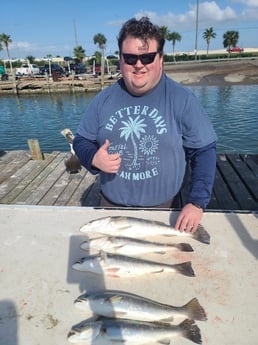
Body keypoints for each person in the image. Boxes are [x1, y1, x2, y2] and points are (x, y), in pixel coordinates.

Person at [73, 17, 217, 234]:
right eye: (130, 58)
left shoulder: (183, 99)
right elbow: (81, 140)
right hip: (111, 210)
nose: (138, 65)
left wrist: (196, 203)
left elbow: (204, 151)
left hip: (165, 212)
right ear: (120, 60)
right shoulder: (103, 100)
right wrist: (93, 158)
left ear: (160, 59)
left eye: (147, 57)